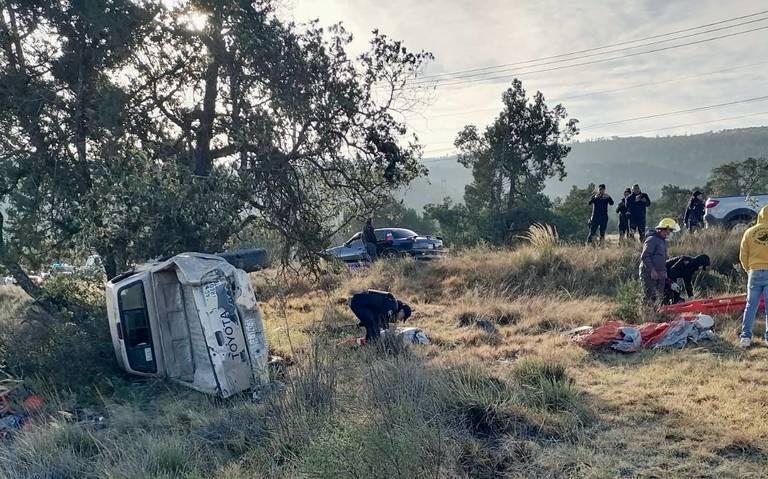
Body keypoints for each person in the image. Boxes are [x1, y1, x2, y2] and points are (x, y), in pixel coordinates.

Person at [738, 206, 768, 348]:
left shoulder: (749, 232)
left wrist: (748, 269)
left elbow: (743, 255)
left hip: (754, 272)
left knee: (750, 306)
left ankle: (745, 337)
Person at [640, 218, 679, 304]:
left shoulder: (663, 242)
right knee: (650, 296)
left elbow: (663, 259)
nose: (669, 233)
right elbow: (645, 256)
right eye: (669, 231)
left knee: (659, 297)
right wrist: (652, 270)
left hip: (660, 274)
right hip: (649, 274)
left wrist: (664, 273)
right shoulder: (652, 240)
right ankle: (646, 315)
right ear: (664, 229)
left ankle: (657, 315)